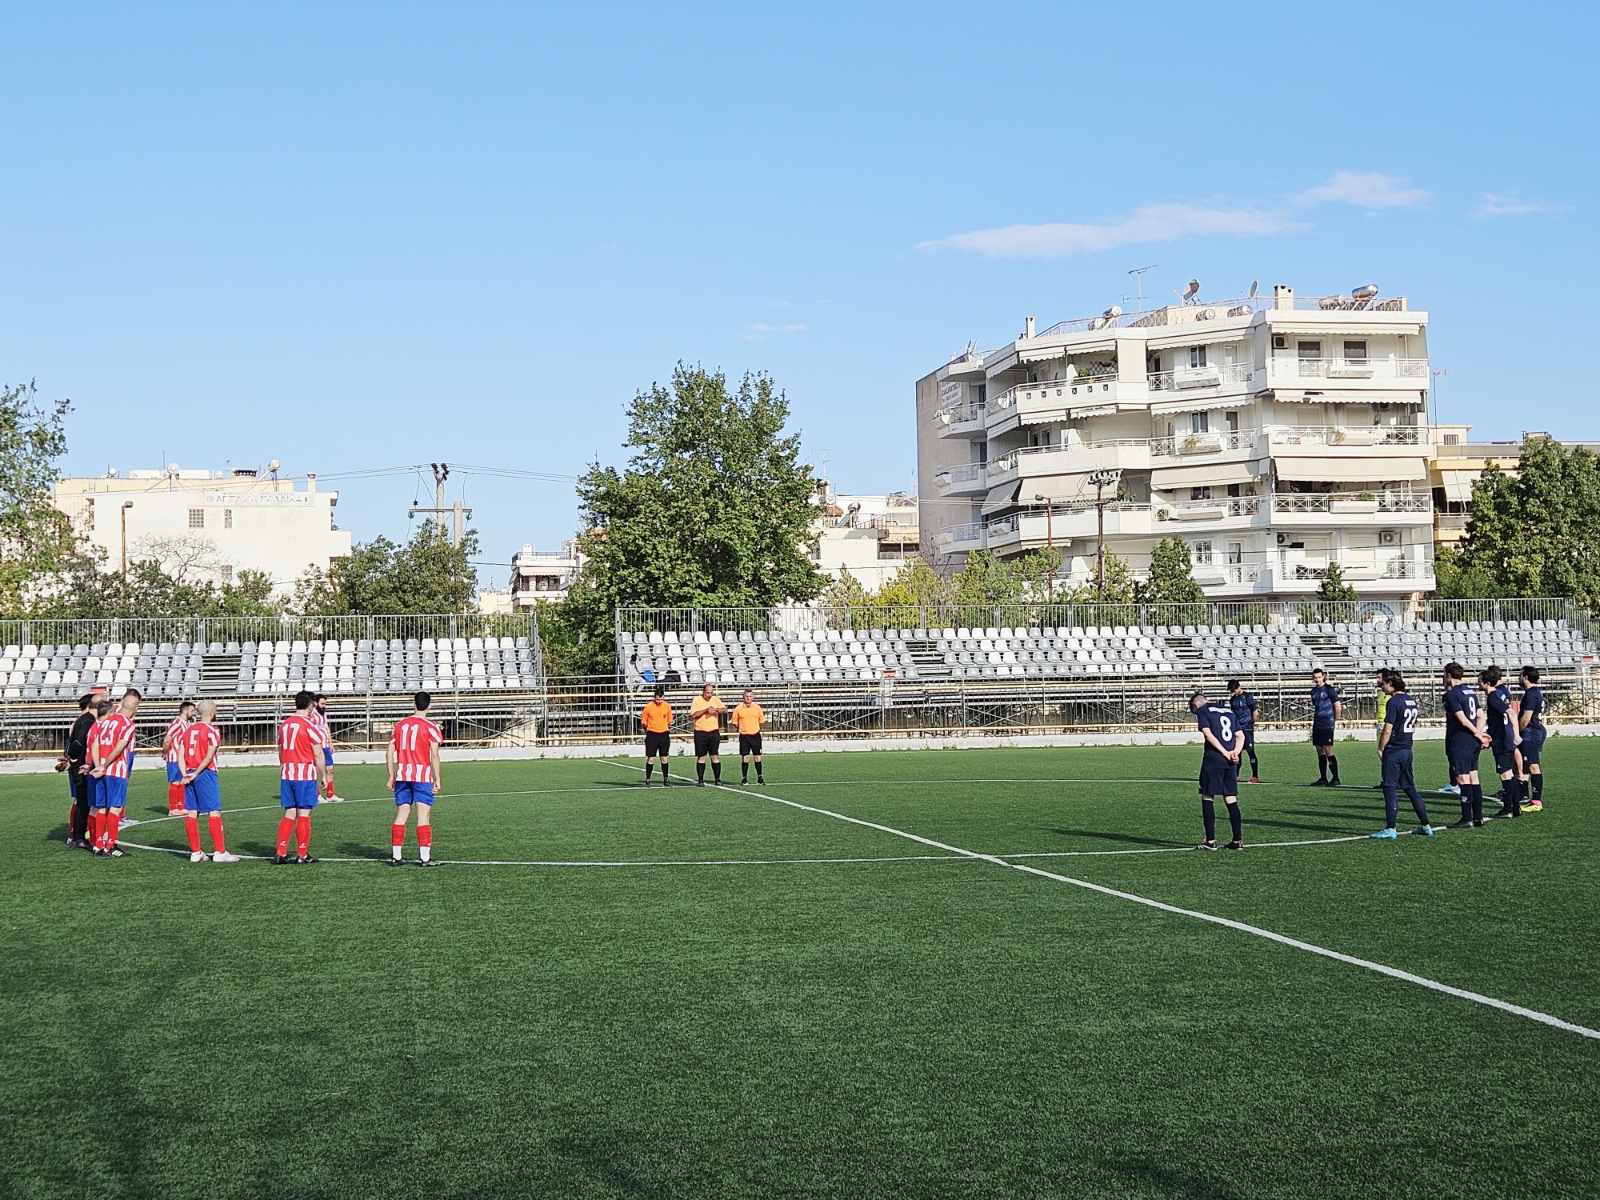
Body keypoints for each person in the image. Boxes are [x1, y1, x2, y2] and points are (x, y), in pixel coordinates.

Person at [1371, 670, 1433, 839]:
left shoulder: (1394, 702)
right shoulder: (1411, 700)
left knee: (1389, 788)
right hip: (1407, 749)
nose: (1381, 686)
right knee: (1410, 788)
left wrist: (1380, 748)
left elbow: (1388, 729)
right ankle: (1426, 825)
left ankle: (1391, 828)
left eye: (1383, 683)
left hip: (1394, 750)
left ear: (1391, 684)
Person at [177, 700, 238, 863]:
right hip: (205, 773)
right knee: (214, 811)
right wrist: (196, 773)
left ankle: (196, 852)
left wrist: (185, 774)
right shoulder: (213, 731)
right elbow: (209, 755)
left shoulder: (188, 730)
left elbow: (180, 754)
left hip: (189, 773)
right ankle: (220, 851)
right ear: (212, 713)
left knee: (192, 812)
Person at [388, 691, 445, 866]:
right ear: (429, 706)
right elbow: (434, 754)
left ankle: (396, 856)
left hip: (402, 774)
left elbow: (390, 751)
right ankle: (425, 858)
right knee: (423, 814)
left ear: (413, 704)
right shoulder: (430, 727)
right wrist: (437, 778)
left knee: (402, 813)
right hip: (421, 775)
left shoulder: (399, 725)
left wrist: (391, 775)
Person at [275, 690, 328, 864]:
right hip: (304, 772)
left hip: (287, 772)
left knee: (289, 812)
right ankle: (302, 854)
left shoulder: (285, 724)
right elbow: (318, 754)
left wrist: (283, 766)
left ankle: (280, 852)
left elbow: (281, 750)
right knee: (304, 813)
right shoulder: (310, 725)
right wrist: (323, 775)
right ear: (311, 705)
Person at [88, 688, 142, 858]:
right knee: (115, 807)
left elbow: (95, 743)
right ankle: (111, 844)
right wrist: (106, 764)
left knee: (101, 807)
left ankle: (98, 845)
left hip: (101, 769)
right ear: (135, 708)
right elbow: (120, 746)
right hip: (116, 770)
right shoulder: (128, 724)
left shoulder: (106, 721)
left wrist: (98, 765)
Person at [1190, 689, 1245, 851]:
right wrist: (1235, 752)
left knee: (1208, 796)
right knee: (1231, 799)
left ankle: (1210, 840)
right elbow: (1240, 736)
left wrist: (1224, 752)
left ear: (1195, 705)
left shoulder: (1203, 711)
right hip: (1230, 761)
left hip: (1214, 759)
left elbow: (1208, 735)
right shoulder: (1228, 711)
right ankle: (1237, 840)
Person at [1442, 662, 1490, 828]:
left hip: (1460, 740)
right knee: (1473, 776)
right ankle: (1478, 816)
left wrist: (1476, 733)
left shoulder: (1452, 694)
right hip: (1472, 740)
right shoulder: (1470, 692)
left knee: (1463, 777)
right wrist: (1478, 733)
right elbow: (1481, 715)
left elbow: (1462, 719)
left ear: (1448, 675)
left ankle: (1466, 817)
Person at [1480, 666, 1523, 820]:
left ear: (1486, 683)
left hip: (1503, 740)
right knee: (1509, 773)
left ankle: (1508, 807)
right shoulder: (1497, 694)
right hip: (1503, 737)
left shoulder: (1492, 696)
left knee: (1505, 774)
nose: (1479, 684)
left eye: (1480, 682)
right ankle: (1515, 806)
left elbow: (1510, 712)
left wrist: (1516, 734)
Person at [61, 694, 97, 848]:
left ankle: (76, 834)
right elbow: (78, 742)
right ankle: (78, 835)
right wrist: (73, 758)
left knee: (80, 800)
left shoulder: (79, 720)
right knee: (83, 802)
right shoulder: (87, 720)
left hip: (78, 766)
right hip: (81, 767)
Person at [1518, 666, 1546, 813]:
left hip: (1531, 732)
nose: (1519, 678)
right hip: (1535, 731)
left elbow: (1526, 718)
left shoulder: (1531, 694)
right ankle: (1527, 797)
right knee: (1528, 765)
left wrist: (1517, 732)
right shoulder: (1535, 692)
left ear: (1526, 677)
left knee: (1533, 765)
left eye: (1521, 675)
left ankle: (1536, 801)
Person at [1308, 668, 1343, 786]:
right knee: (1319, 750)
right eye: (1315, 677)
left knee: (1328, 750)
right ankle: (1323, 778)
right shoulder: (1313, 691)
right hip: (1317, 723)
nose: (1317, 679)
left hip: (1327, 723)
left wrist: (1334, 721)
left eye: (1319, 677)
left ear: (1323, 677)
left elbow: (1337, 706)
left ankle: (1336, 778)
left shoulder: (1329, 689)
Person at [689, 682, 727, 786]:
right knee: (701, 757)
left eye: (711, 693)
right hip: (700, 732)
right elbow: (693, 714)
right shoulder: (696, 700)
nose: (709, 695)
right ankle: (701, 780)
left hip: (714, 732)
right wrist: (706, 710)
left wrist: (716, 710)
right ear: (703, 692)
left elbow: (724, 709)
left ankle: (717, 779)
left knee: (715, 756)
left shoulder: (715, 699)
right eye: (707, 693)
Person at [162, 700, 196, 817]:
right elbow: (168, 738)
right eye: (191, 710)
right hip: (174, 757)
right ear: (185, 710)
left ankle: (180, 806)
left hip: (182, 758)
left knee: (182, 782)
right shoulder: (177, 723)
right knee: (175, 782)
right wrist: (165, 752)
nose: (193, 713)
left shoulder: (186, 723)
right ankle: (172, 808)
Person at [1226, 679, 1260, 784]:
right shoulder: (1232, 700)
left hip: (1247, 728)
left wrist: (1252, 723)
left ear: (1237, 687)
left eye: (1233, 689)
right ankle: (1236, 775)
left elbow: (1255, 711)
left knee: (1250, 751)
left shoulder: (1247, 697)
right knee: (1237, 752)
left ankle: (1255, 776)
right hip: (1237, 729)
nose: (1232, 692)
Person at [640, 685, 673, 786]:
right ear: (654, 698)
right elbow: (643, 721)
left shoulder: (667, 706)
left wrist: (669, 725)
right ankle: (648, 778)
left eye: (660, 698)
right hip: (652, 735)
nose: (658, 700)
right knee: (651, 758)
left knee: (664, 757)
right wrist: (646, 727)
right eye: (657, 699)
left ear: (663, 697)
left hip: (664, 734)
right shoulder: (648, 706)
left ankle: (666, 779)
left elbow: (669, 721)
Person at [731, 688, 766, 785]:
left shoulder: (757, 708)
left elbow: (761, 721)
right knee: (745, 757)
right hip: (744, 736)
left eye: (750, 696)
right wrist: (741, 728)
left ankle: (760, 777)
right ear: (743, 697)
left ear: (753, 697)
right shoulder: (738, 708)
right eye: (746, 696)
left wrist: (756, 728)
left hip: (755, 735)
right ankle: (744, 778)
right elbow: (734, 722)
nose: (748, 698)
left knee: (757, 757)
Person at [311, 693, 342, 802]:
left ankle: (330, 794)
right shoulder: (312, 715)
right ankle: (317, 794)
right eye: (322, 703)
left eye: (325, 704)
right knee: (318, 770)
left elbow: (326, 727)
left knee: (330, 769)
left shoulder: (323, 714)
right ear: (315, 703)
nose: (324, 706)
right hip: (317, 746)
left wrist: (330, 743)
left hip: (325, 745)